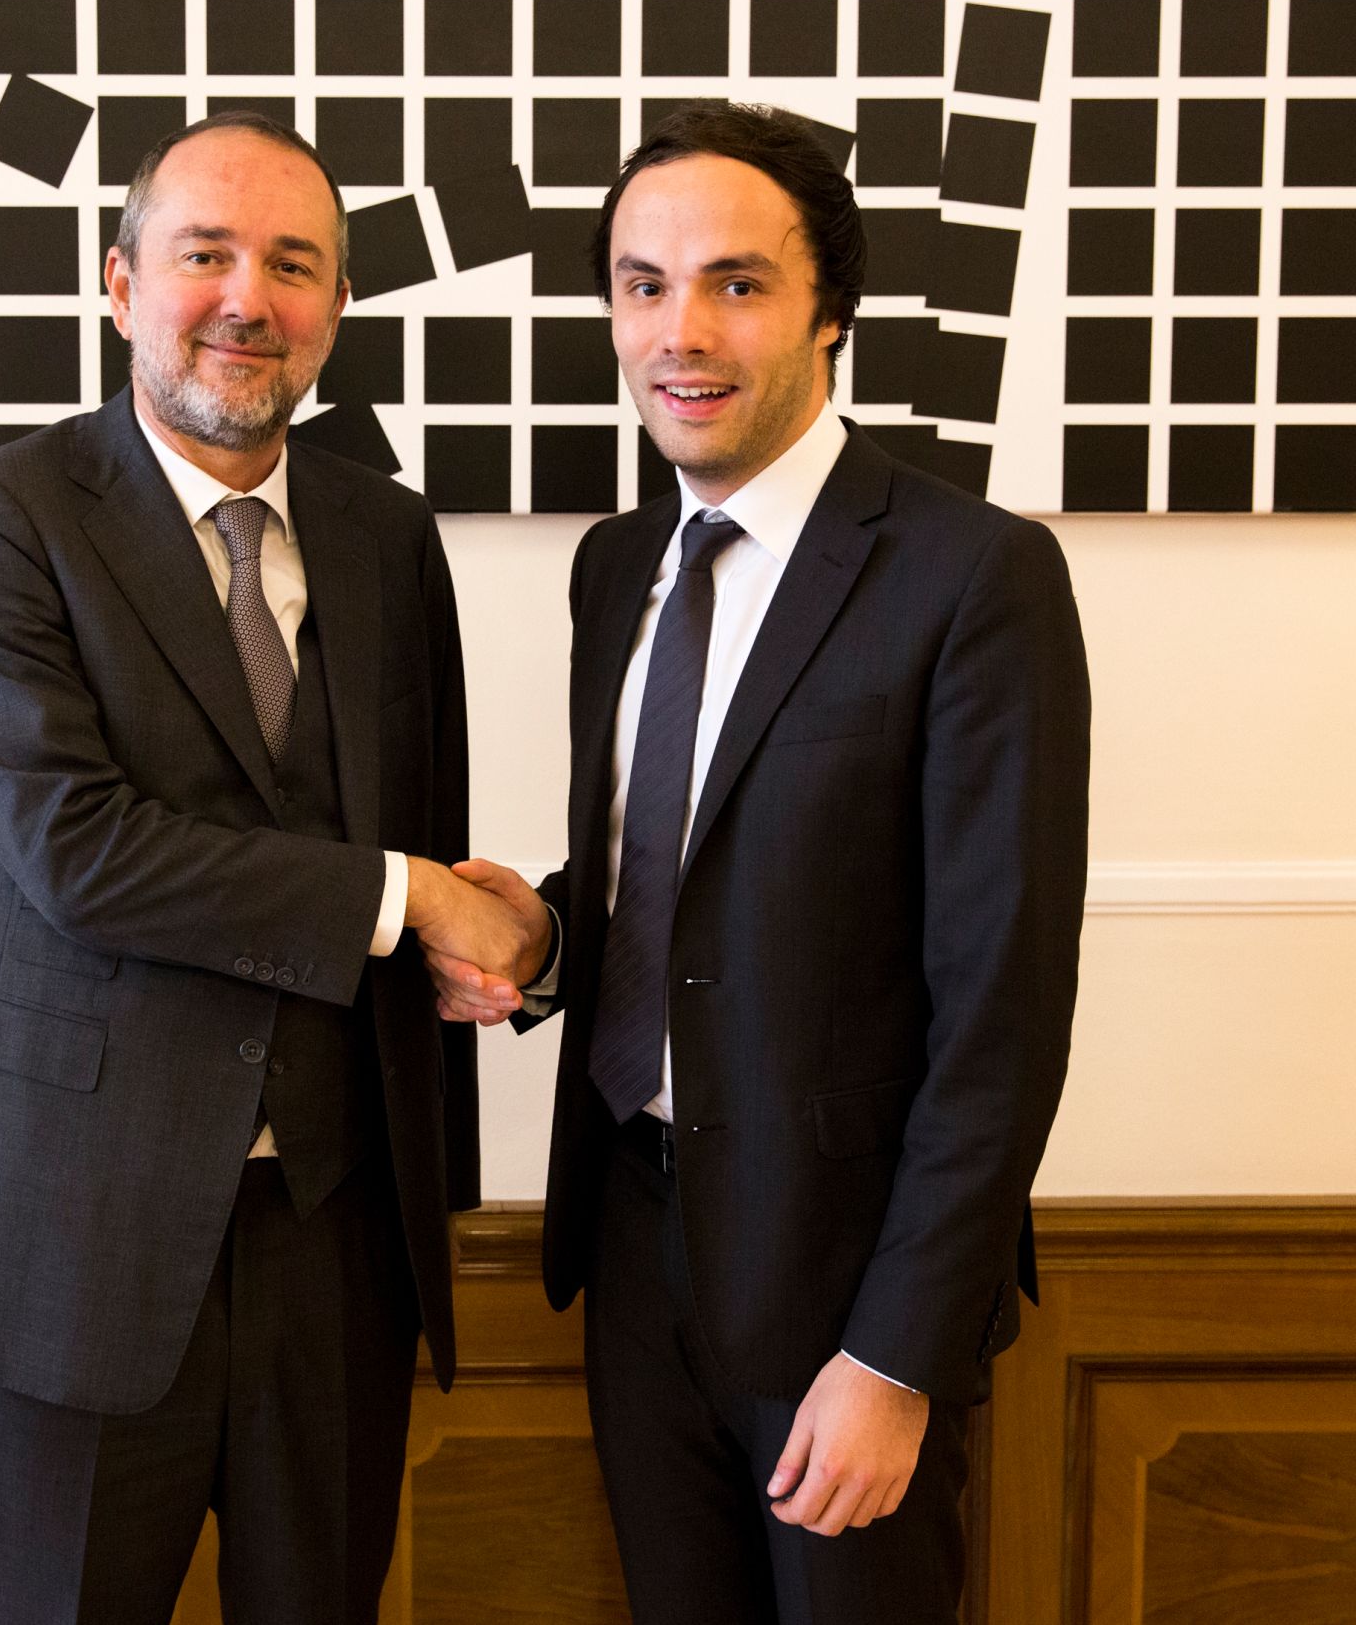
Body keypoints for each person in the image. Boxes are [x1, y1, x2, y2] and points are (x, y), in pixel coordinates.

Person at [0, 112, 538, 1625]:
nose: (250, 296)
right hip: (79, 1237)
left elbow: (428, 830)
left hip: (341, 1236)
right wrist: (410, 897)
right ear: (120, 285)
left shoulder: (386, 536)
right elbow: (77, 854)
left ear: (338, 311)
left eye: (293, 264)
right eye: (205, 254)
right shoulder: (0, 519)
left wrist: (492, 936)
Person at [430, 100, 1091, 1623]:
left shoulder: (972, 576)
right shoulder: (620, 566)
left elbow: (1002, 1009)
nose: (683, 331)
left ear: (830, 311)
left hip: (844, 1291)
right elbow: (692, 871)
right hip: (634, 1246)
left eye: (737, 282)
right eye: (642, 284)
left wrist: (898, 1357)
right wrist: (544, 942)